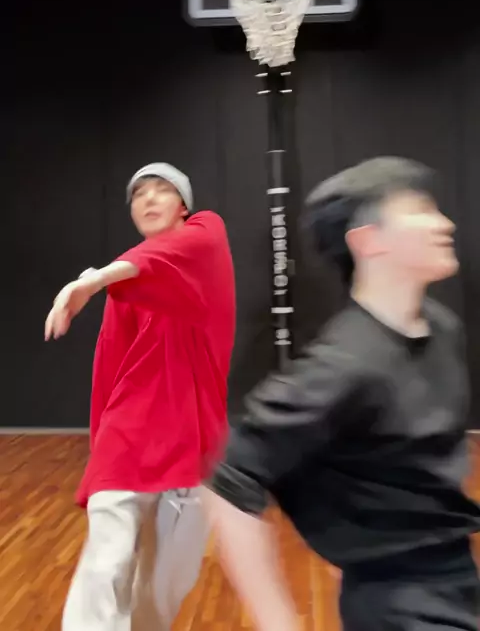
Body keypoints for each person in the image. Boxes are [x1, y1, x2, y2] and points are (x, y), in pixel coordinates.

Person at [202, 156, 480, 631]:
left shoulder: (442, 328)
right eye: (420, 210)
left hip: (456, 579)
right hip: (404, 609)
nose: (444, 223)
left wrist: (350, 524)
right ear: (368, 241)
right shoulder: (342, 366)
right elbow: (229, 483)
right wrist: (279, 622)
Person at [45, 162, 236, 631]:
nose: (148, 199)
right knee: (104, 566)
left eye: (161, 190)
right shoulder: (123, 288)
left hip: (193, 444)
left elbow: (172, 255)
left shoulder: (207, 233)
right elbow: (109, 374)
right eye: (138, 194)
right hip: (127, 439)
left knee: (160, 590)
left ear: (184, 205)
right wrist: (99, 451)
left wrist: (93, 279)